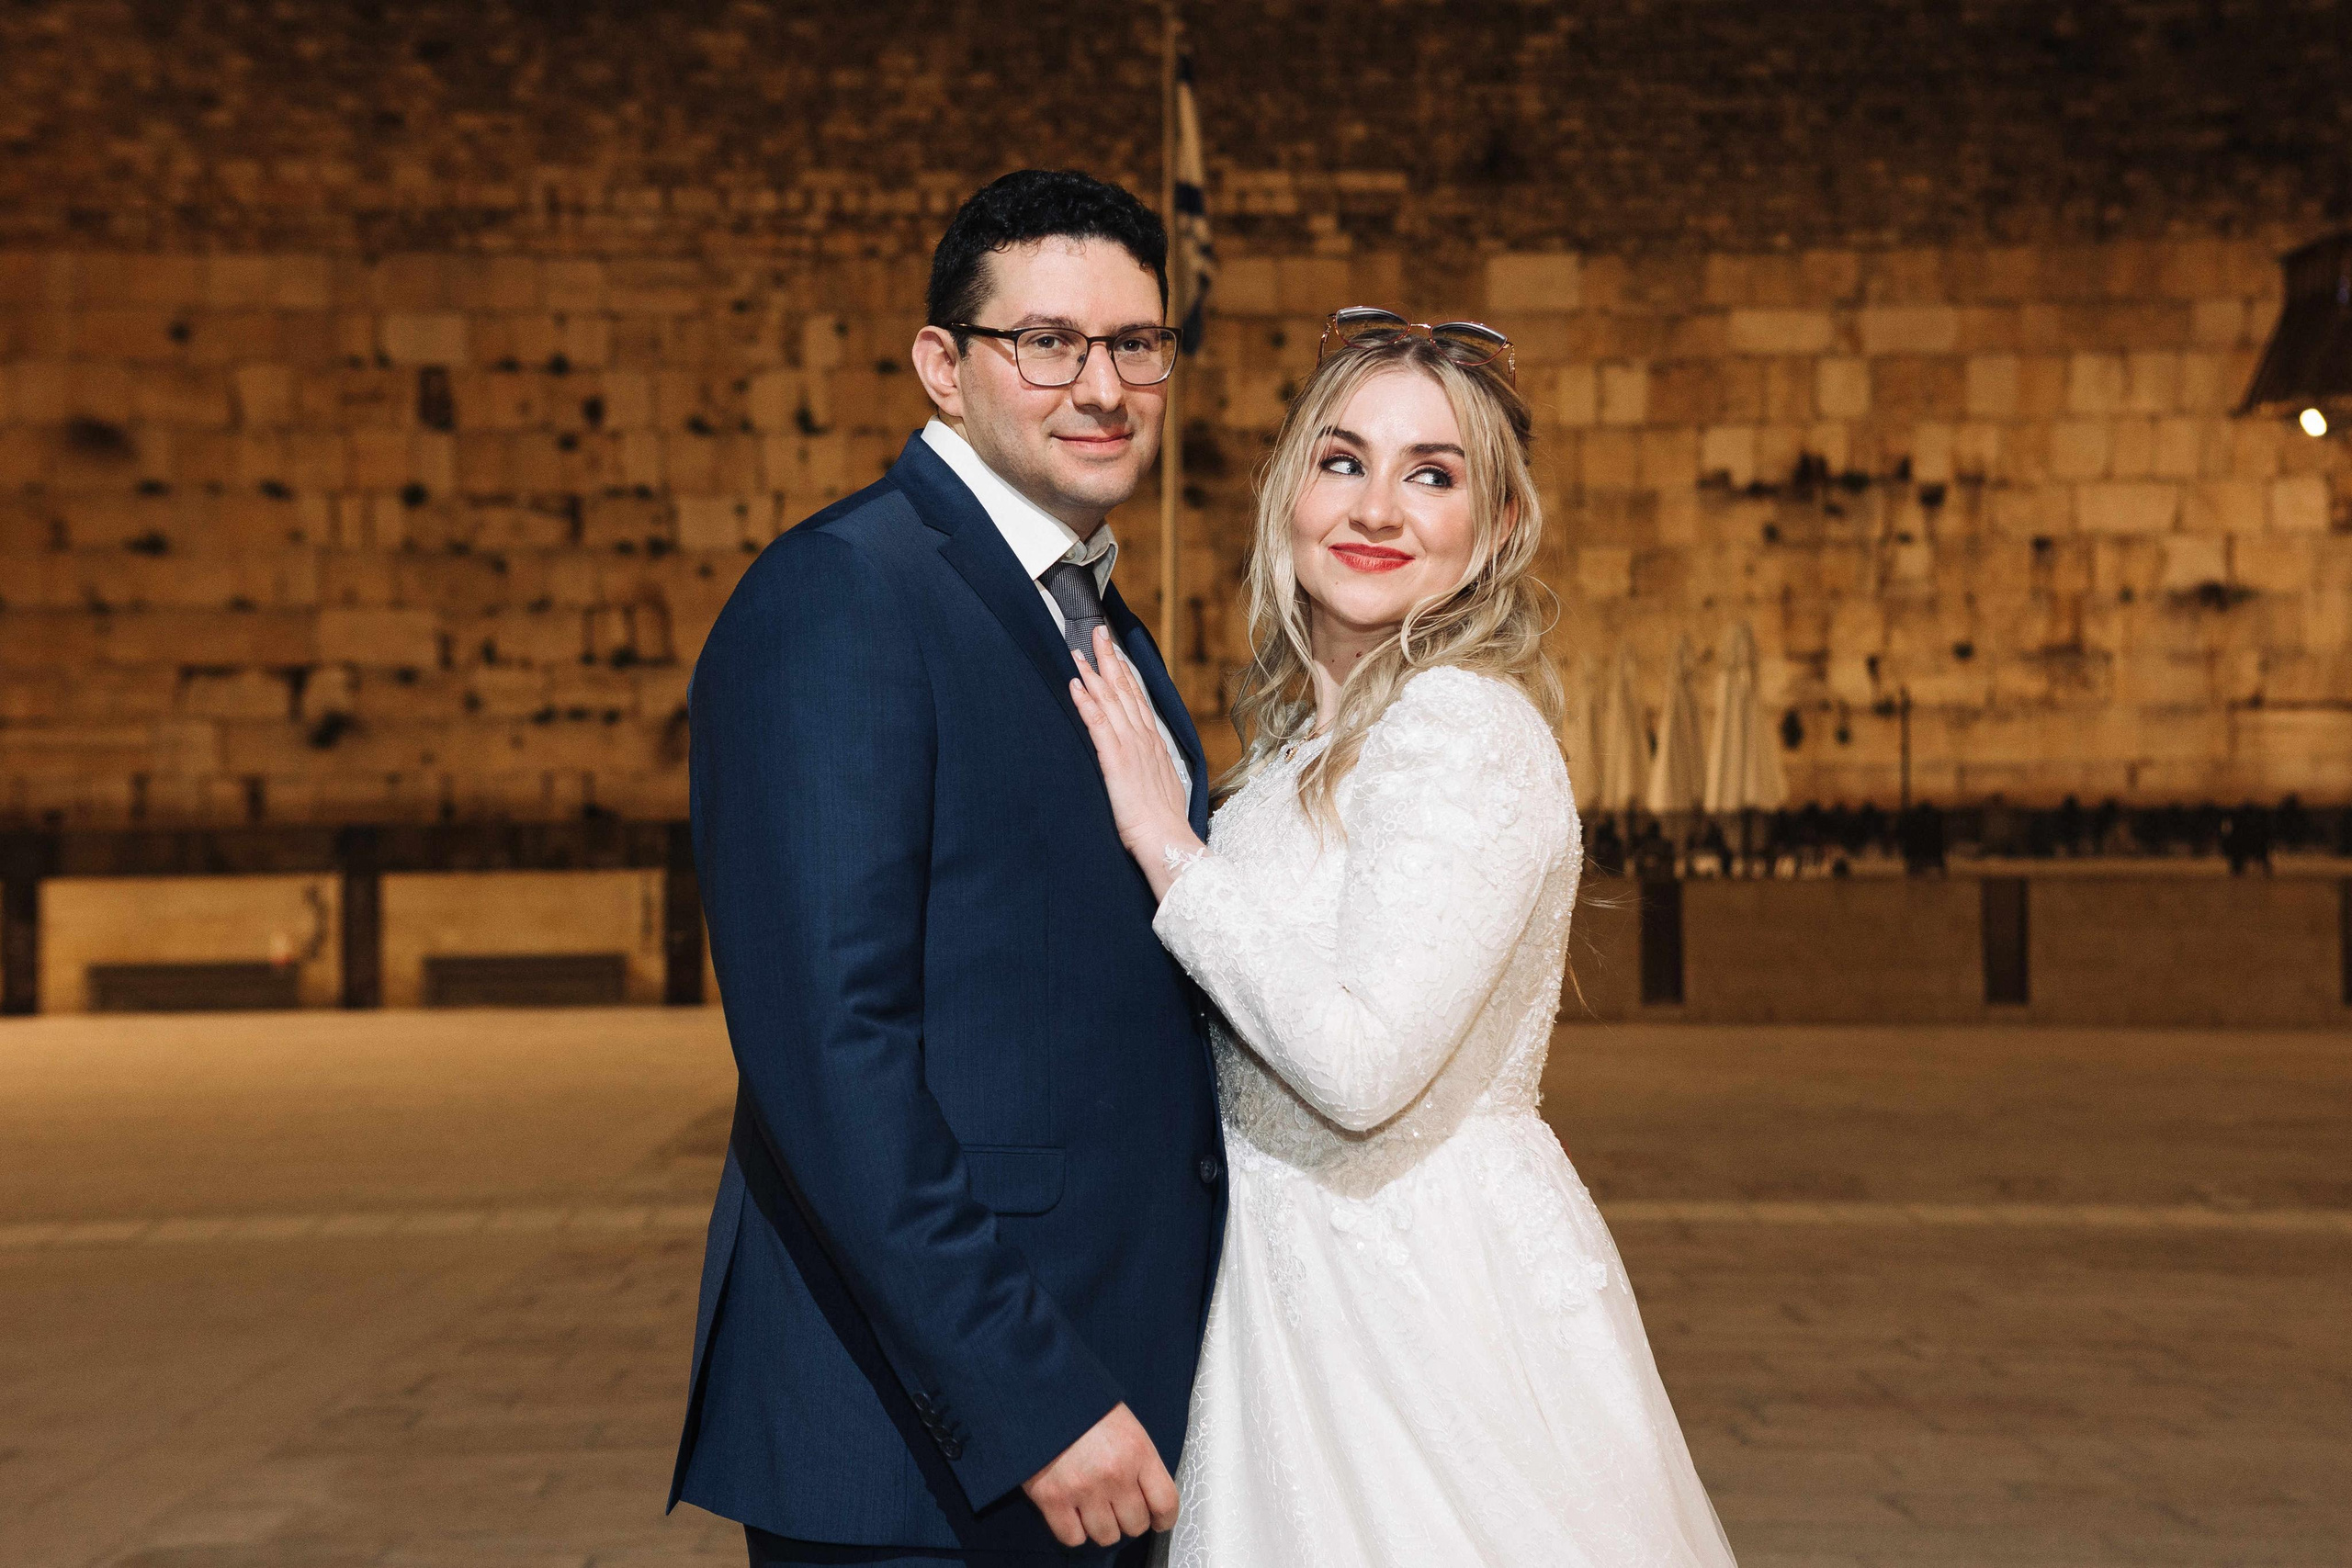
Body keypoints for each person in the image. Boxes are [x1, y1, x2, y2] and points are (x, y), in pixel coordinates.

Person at [1069, 310, 1740, 1565]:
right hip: (1291, 1299)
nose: (1378, 506)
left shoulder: (1458, 730)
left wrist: (1169, 848)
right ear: (1287, 497)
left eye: (1432, 475)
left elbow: (1366, 1067)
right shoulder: (1299, 750)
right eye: (1344, 461)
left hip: (1417, 1316)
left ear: (1497, 529)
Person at [672, 169, 1225, 1567]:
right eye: (1046, 342)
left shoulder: (1090, 611)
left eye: (1136, 345)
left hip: (1101, 1397)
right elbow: (830, 1055)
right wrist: (1032, 1397)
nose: (1101, 385)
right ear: (943, 366)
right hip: (929, 1449)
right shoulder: (842, 597)